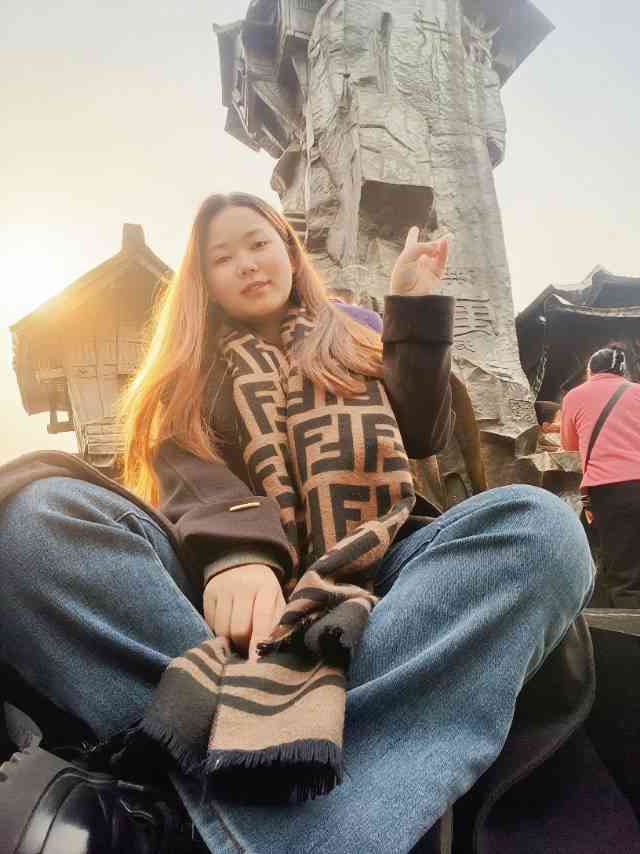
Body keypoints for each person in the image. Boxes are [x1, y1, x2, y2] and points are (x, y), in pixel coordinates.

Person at [0, 193, 593, 854]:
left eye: (259, 243)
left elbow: (423, 431)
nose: (247, 263)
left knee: (540, 528)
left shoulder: (356, 337)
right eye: (222, 257)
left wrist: (414, 312)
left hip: (376, 570)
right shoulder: (185, 369)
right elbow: (182, 462)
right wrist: (237, 551)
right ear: (202, 281)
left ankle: (222, 801)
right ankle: (340, 801)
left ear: (288, 249)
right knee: (35, 519)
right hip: (217, 600)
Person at [561, 343, 640, 608]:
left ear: (590, 370)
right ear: (622, 371)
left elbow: (569, 445)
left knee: (625, 577)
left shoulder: (574, 396)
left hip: (610, 490)